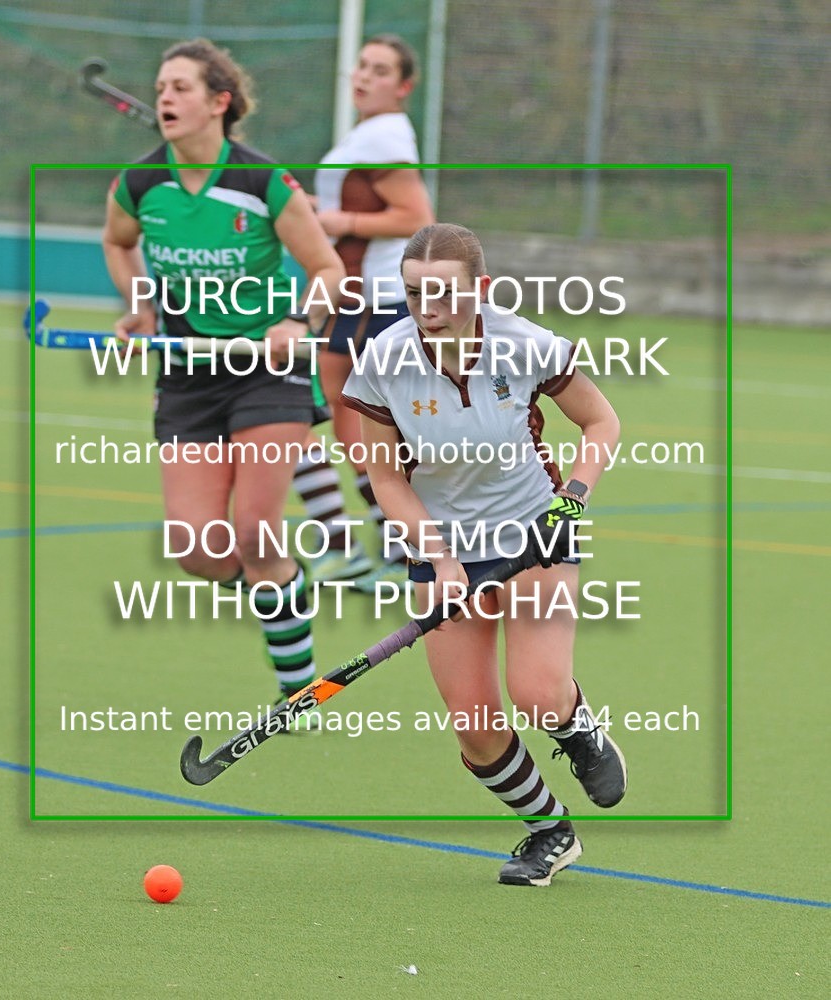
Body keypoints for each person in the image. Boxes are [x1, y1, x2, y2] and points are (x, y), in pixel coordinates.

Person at [341, 223, 628, 885]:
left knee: (536, 694)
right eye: (415, 295)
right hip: (442, 541)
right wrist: (440, 562)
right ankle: (549, 831)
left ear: (482, 290)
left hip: (535, 532)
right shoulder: (383, 361)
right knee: (474, 727)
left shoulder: (524, 344)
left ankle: (578, 731)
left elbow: (601, 422)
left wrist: (573, 500)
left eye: (444, 294)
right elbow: (385, 478)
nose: (429, 310)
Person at [102, 38, 345, 715]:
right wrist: (140, 305)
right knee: (197, 550)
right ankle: (286, 593)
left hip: (266, 374)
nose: (164, 99)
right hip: (186, 375)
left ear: (220, 102)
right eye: (159, 89)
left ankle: (299, 689)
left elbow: (328, 271)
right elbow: (117, 243)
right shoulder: (140, 184)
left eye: (180, 88)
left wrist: (298, 321)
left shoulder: (264, 182)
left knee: (256, 530)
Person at [293, 34, 435, 590]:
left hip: (372, 296)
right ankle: (385, 546)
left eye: (379, 70)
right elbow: (349, 208)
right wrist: (309, 210)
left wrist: (339, 225)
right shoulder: (369, 134)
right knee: (347, 417)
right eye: (362, 66)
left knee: (342, 417)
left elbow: (414, 215)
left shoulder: (386, 136)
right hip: (356, 296)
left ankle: (393, 547)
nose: (364, 76)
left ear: (402, 87)